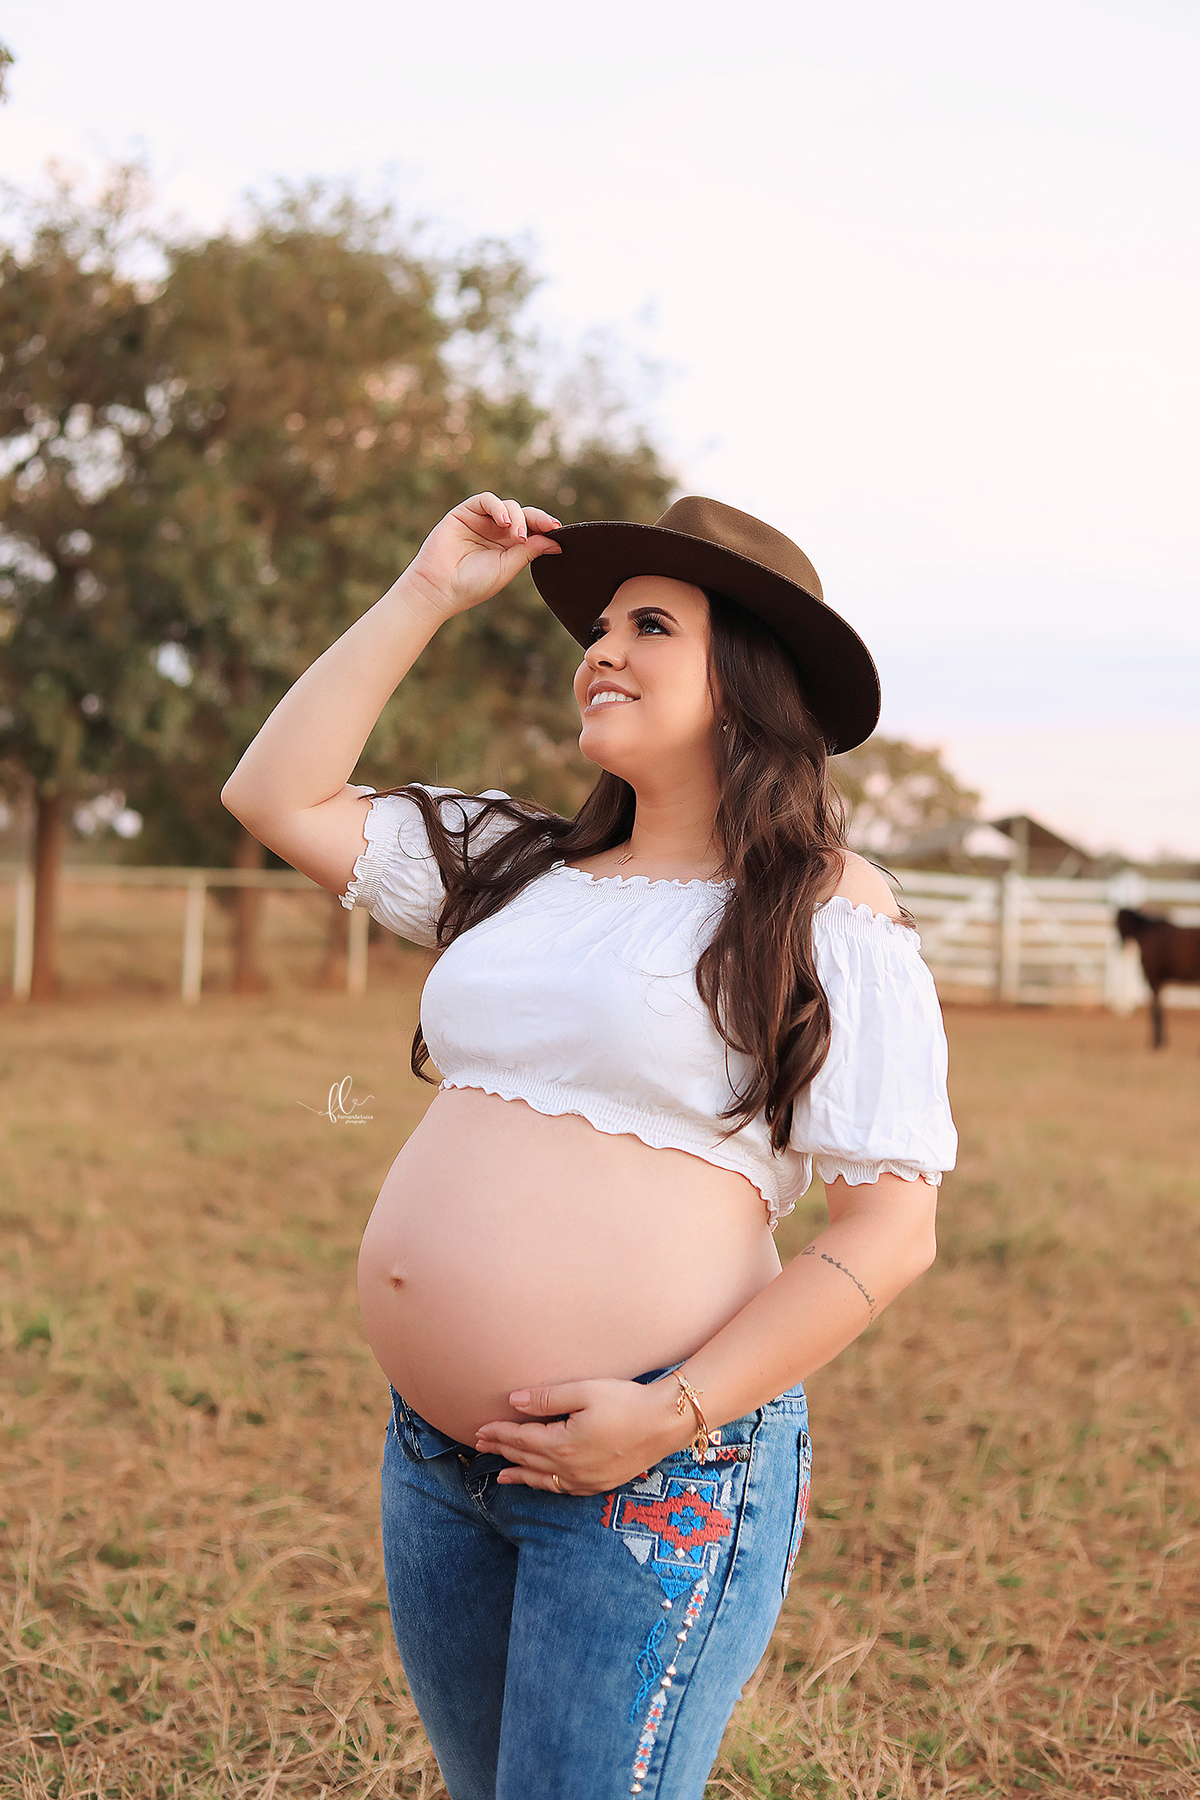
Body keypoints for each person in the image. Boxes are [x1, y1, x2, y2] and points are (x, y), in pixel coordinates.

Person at [221, 491, 958, 1800]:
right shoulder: (516, 869)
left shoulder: (824, 910)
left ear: (746, 683)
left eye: (651, 625)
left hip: (655, 1471)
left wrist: (664, 1416)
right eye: (602, 624)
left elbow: (890, 1234)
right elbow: (273, 793)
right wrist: (426, 592)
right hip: (441, 1463)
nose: (601, 648)